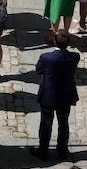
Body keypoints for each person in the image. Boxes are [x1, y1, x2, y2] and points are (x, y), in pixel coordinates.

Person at [32, 30, 79, 161]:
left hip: (49, 95)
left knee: (46, 123)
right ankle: (62, 150)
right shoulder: (74, 57)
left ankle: (43, 150)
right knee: (63, 123)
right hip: (66, 95)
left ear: (54, 41)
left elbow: (39, 70)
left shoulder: (46, 58)